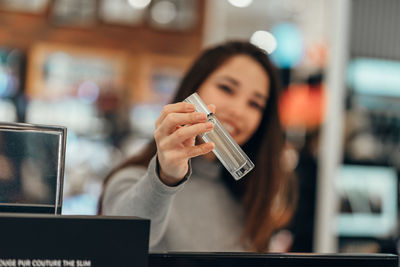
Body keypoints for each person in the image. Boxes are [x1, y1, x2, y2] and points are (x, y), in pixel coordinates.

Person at [99, 41, 297, 252]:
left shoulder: (252, 196)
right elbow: (123, 242)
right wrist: (166, 178)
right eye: (227, 88)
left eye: (255, 104)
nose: (238, 110)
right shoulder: (132, 181)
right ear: (193, 89)